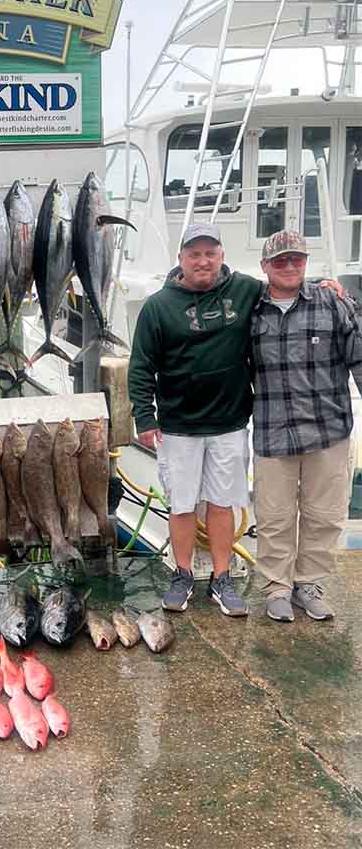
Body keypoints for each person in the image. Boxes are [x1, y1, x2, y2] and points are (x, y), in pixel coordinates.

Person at [128, 224, 266, 617]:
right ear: (181, 260)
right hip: (178, 426)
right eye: (194, 254)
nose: (202, 261)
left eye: (210, 252)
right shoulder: (158, 306)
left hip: (229, 422)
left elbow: (286, 289)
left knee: (222, 505)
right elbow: (141, 366)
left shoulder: (245, 290)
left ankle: (221, 579)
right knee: (182, 505)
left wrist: (328, 287)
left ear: (222, 255)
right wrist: (144, 415)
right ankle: (184, 573)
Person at [251, 230, 362, 623]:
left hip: (328, 429)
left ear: (305, 262)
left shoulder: (331, 301)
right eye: (280, 260)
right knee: (274, 516)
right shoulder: (251, 308)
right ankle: (278, 587)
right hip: (272, 430)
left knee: (325, 514)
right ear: (265, 266)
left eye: (296, 259)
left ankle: (309, 584)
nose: (289, 266)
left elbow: (358, 356)